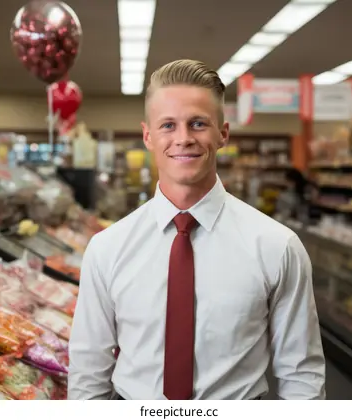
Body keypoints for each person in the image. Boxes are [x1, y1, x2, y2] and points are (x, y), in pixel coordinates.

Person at [68, 59, 326, 400]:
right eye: (168, 126)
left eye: (198, 123)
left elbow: (301, 374)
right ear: (148, 135)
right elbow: (89, 370)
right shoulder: (107, 249)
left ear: (223, 134)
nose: (184, 138)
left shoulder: (277, 246)